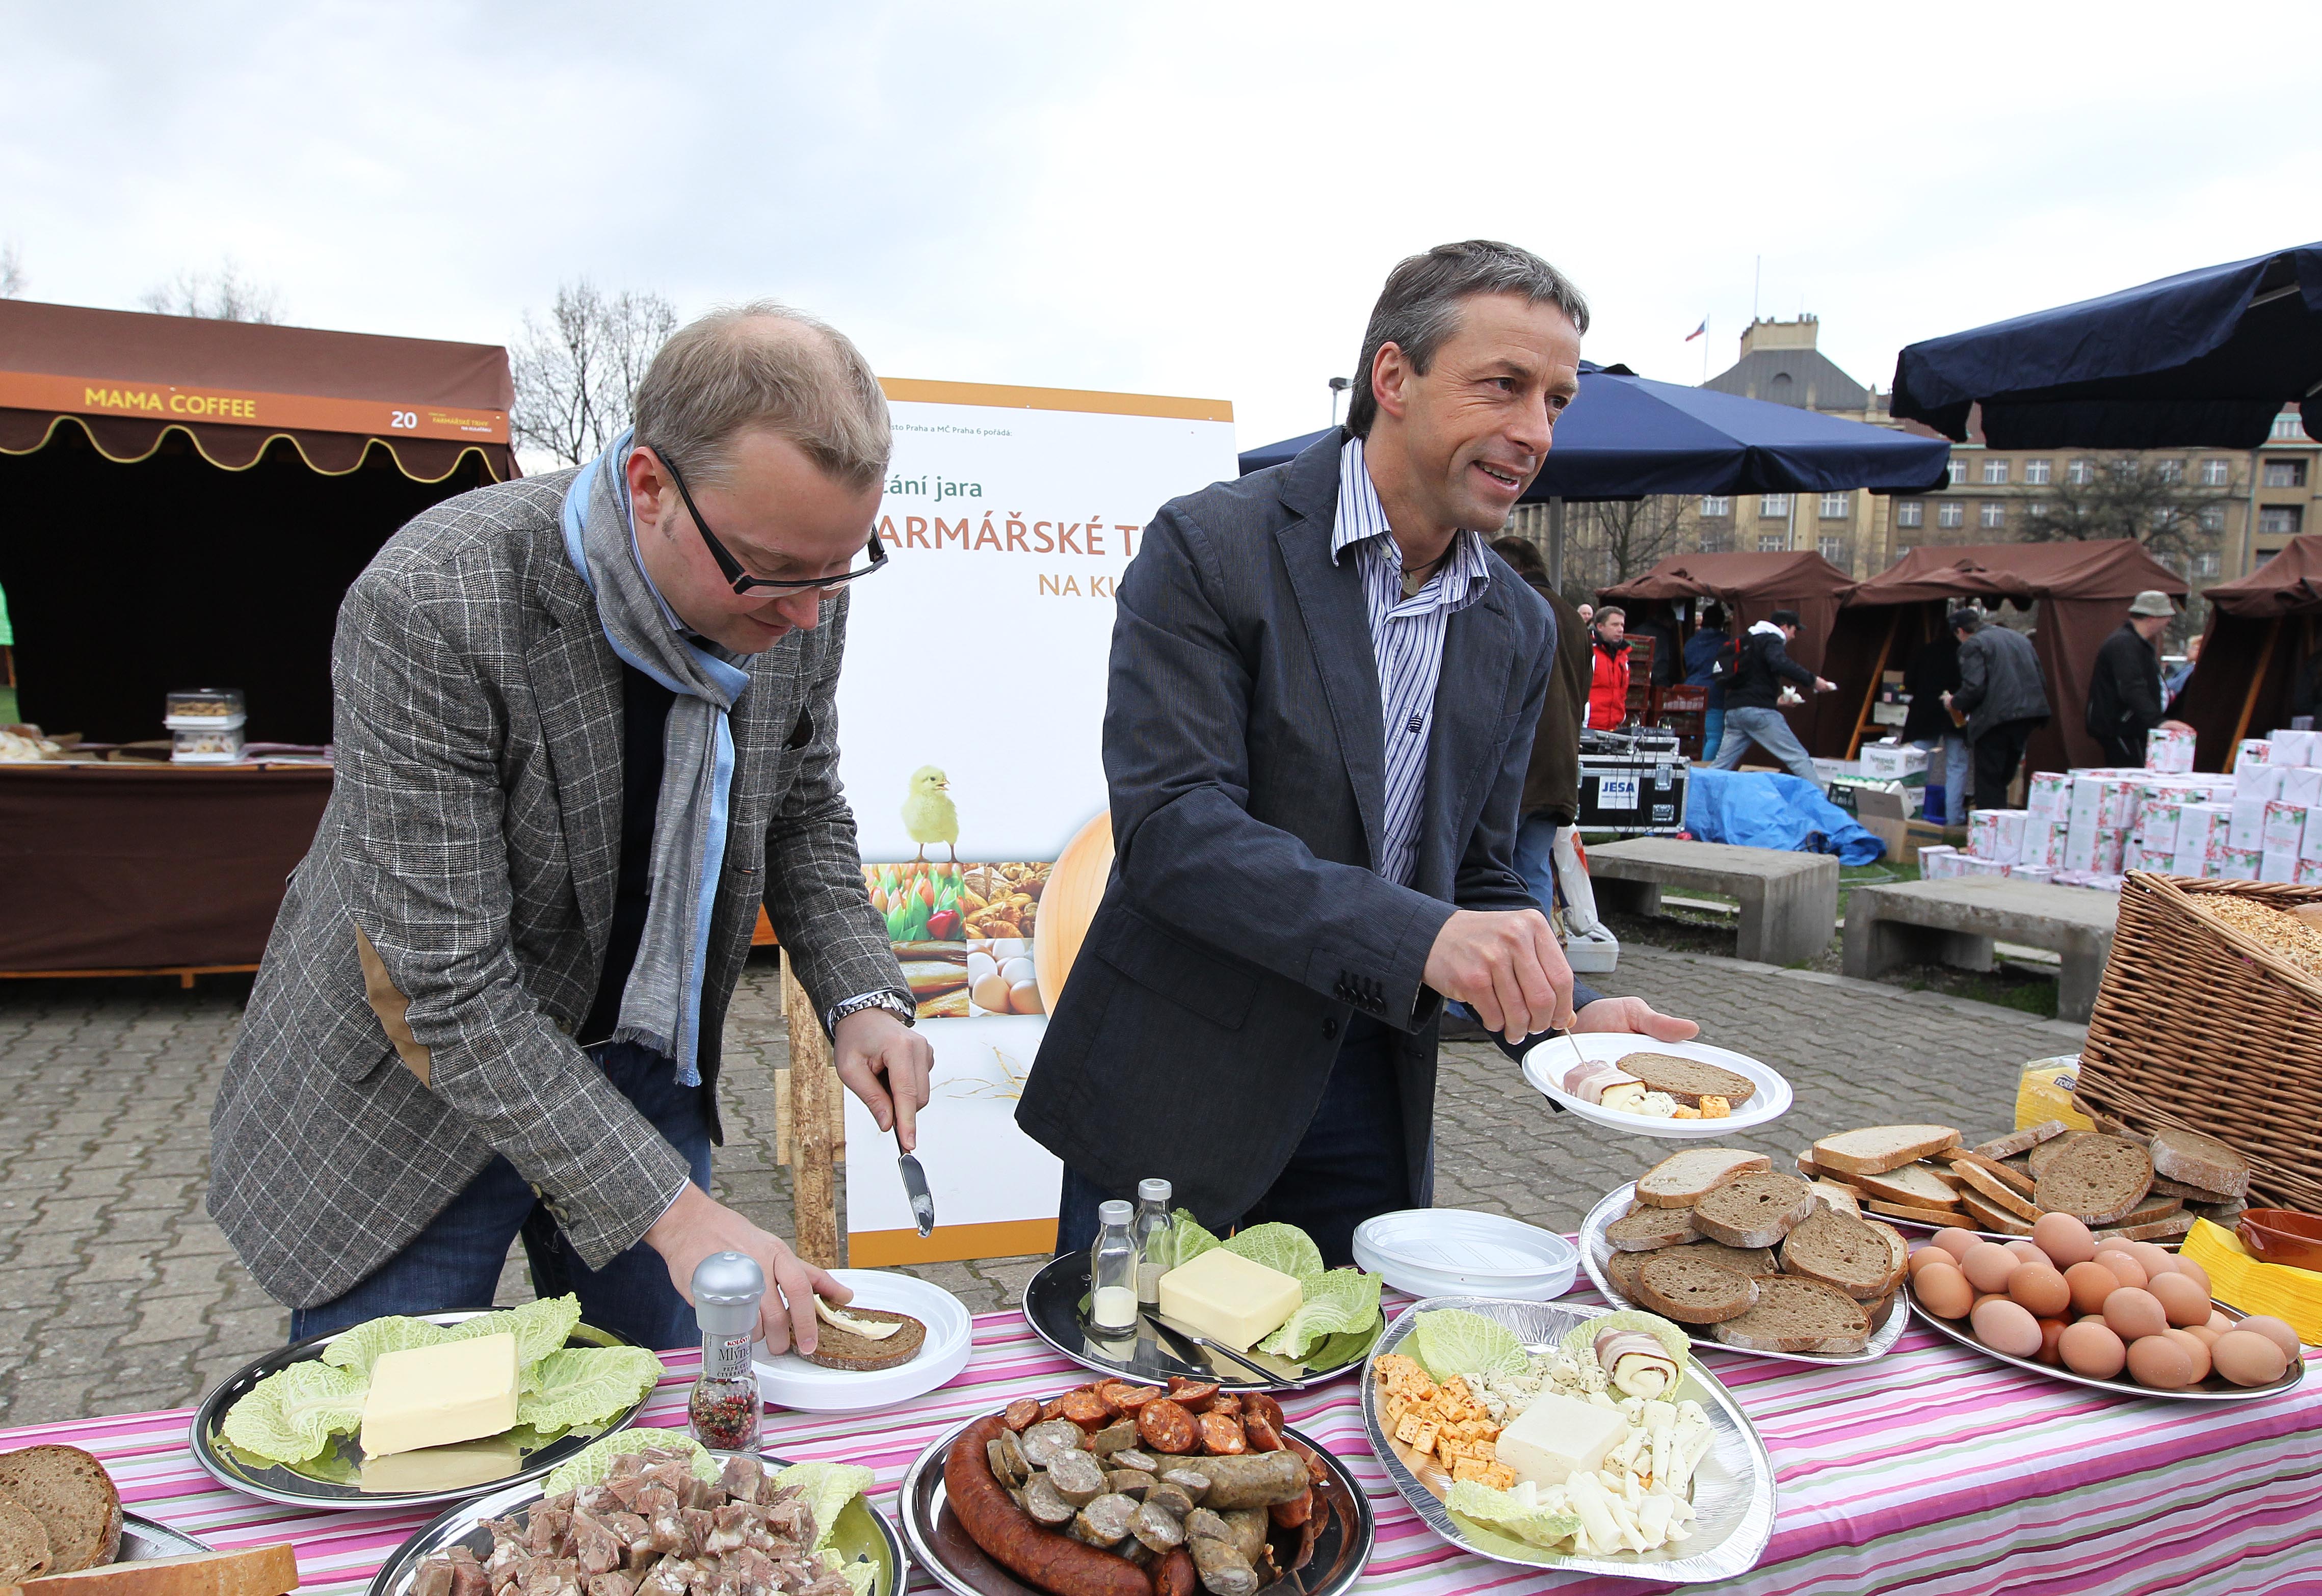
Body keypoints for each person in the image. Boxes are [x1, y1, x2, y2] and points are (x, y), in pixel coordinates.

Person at [208, 304, 935, 1356]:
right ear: (649, 488)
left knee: (676, 1438)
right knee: (398, 1447)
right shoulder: (432, 604)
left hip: (645, 1055)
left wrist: (863, 999)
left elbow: (801, 804)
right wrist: (679, 1216)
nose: (808, 616)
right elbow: (449, 987)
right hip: (429, 1090)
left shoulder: (795, 574)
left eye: (839, 568)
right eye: (776, 572)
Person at [1016, 241, 1697, 1266]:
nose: (1533, 432)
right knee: (1135, 1404)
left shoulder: (1515, 623)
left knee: (1346, 1403)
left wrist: (1576, 1017)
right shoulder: (1212, 548)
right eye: (1502, 388)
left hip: (1369, 1095)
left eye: (1555, 400)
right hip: (1178, 1088)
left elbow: (1475, 872)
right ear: (1393, 378)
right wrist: (1423, 938)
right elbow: (1175, 833)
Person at [1708, 609, 1833, 782]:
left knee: (1721, 764)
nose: (1794, 636)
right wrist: (1813, 680)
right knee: (1797, 757)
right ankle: (1821, 804)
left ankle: (1696, 798)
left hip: (1735, 712)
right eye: (1794, 630)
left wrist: (1777, 702)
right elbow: (1780, 663)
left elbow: (1750, 684)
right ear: (1784, 627)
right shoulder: (1772, 639)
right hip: (1758, 713)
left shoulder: (1748, 642)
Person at [1944, 608, 2050, 807]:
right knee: (2004, 777)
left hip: (1996, 719)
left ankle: (1989, 832)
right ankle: (2002, 826)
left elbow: (1974, 687)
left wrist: (1954, 702)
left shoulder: (1973, 645)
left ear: (1960, 631)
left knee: (1989, 781)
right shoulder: (2019, 639)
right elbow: (2041, 680)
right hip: (2027, 715)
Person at [2084, 590, 2176, 768]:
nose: (2169, 621)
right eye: (2166, 616)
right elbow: (2132, 687)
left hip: (2128, 728)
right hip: (2123, 729)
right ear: (2152, 618)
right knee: (2132, 781)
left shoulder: (2134, 643)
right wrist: (2158, 722)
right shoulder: (2124, 644)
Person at [1899, 624, 1969, 826]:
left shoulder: (1926, 650)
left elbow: (1909, 681)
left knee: (1918, 765)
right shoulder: (1968, 654)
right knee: (1957, 765)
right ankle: (1954, 818)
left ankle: (1911, 812)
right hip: (1956, 712)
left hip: (1925, 712)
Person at [1682, 603, 1731, 760]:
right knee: (1714, 736)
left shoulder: (1691, 642)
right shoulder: (1726, 642)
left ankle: (1691, 768)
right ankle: (1704, 769)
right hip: (1714, 693)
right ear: (1722, 622)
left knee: (1693, 735)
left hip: (1689, 691)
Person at [1587, 605, 1633, 729]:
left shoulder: (1623, 656)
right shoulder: (1589, 652)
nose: (1620, 630)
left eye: (1622, 625)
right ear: (1600, 627)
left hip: (1614, 726)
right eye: (1615, 625)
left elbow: (1622, 692)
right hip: (1588, 727)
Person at [2165, 633, 2202, 705]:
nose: (2189, 650)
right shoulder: (2189, 667)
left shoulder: (2193, 670)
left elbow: (2176, 686)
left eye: (2193, 648)